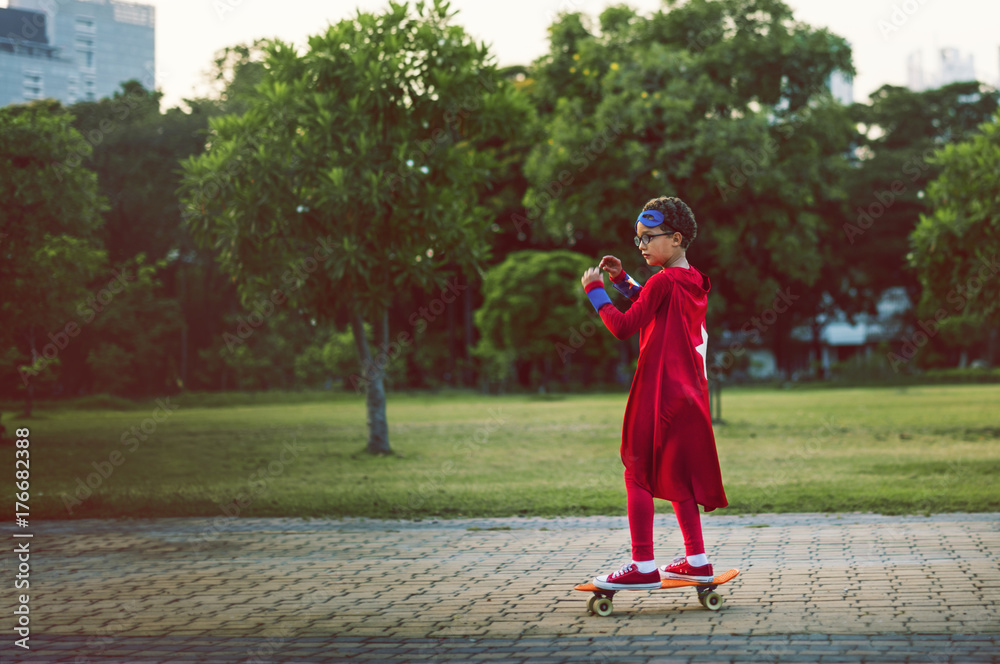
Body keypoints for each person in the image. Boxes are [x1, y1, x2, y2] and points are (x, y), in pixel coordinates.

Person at [579, 196, 728, 591]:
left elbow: (626, 326)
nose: (641, 245)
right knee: (679, 474)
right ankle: (696, 560)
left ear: (676, 238)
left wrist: (596, 292)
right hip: (689, 392)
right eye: (637, 238)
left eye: (649, 237)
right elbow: (654, 302)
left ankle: (643, 563)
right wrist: (623, 280)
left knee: (636, 470)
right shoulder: (693, 278)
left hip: (659, 389)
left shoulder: (663, 281)